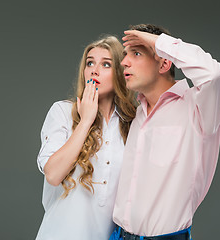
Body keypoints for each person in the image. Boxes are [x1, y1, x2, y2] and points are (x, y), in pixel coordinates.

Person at [110, 24, 220, 240]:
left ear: (165, 62)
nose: (124, 62)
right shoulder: (138, 114)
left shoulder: (198, 108)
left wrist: (161, 43)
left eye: (136, 53)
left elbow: (214, 75)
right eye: (125, 55)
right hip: (118, 235)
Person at [35, 36, 137, 240]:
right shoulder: (63, 111)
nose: (94, 70)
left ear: (120, 72)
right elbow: (53, 174)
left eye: (106, 64)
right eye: (90, 63)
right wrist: (86, 121)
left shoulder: (132, 123)